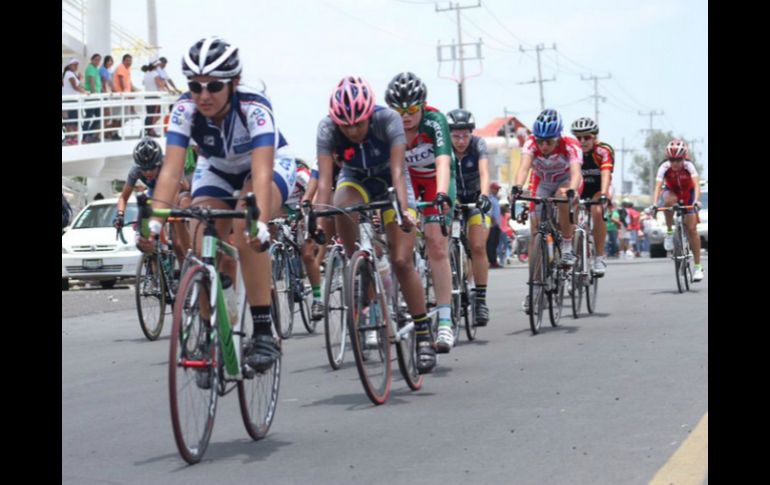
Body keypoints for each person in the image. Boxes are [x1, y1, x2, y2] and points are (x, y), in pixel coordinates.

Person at [140, 36, 297, 373]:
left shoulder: (254, 106)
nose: (204, 95)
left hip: (264, 165)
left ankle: (264, 331)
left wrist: (261, 222)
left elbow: (261, 169)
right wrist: (154, 222)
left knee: (245, 228)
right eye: (195, 86)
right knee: (201, 237)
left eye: (213, 86)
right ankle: (215, 327)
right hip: (217, 167)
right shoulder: (185, 109)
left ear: (234, 83)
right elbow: (171, 169)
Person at [313, 75, 436, 373]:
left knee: (401, 260)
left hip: (389, 180)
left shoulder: (388, 120)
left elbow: (397, 173)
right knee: (340, 208)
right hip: (355, 178)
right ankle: (361, 271)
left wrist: (405, 212)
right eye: (346, 125)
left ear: (369, 115)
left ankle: (422, 334)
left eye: (358, 123)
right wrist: (317, 221)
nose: (353, 130)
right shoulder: (327, 128)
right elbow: (326, 183)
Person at [384, 72, 455, 353]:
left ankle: (446, 323)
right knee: (400, 238)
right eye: (399, 111)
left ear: (422, 106)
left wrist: (440, 196)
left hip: (436, 178)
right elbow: (393, 170)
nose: (406, 117)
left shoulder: (434, 121)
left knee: (436, 242)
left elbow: (443, 162)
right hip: (409, 183)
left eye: (412, 110)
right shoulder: (389, 126)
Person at [510, 109, 582, 314]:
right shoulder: (531, 143)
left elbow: (576, 173)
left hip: (566, 181)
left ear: (558, 136)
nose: (544, 146)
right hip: (543, 182)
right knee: (536, 232)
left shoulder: (570, 144)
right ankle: (534, 287)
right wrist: (517, 187)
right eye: (541, 141)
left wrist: (571, 190)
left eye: (549, 142)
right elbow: (524, 168)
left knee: (562, 196)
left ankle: (567, 246)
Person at [446, 108, 492, 325]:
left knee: (478, 246)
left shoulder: (478, 145)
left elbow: (484, 173)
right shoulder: (443, 148)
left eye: (465, 135)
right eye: (456, 136)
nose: (461, 140)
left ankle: (481, 300)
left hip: (474, 200)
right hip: (452, 199)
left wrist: (484, 195)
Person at [651, 139, 703, 281]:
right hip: (672, 192)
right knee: (667, 201)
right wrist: (654, 204)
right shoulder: (664, 167)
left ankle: (698, 267)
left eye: (678, 160)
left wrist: (696, 201)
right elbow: (657, 186)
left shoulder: (689, 166)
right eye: (672, 159)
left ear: (684, 158)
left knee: (692, 229)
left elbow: (697, 185)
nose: (675, 163)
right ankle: (669, 232)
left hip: (688, 193)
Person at [570, 117, 613, 275]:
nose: (582, 141)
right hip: (580, 188)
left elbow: (606, 174)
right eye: (578, 137)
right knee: (568, 213)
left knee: (597, 210)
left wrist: (603, 195)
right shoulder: (572, 151)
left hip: (598, 187)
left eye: (586, 137)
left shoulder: (603, 151)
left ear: (594, 137)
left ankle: (599, 257)